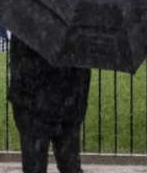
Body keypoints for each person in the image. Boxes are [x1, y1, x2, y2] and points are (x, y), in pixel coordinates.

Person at [9, 36, 91, 173]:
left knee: (37, 164)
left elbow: (18, 68)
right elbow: (83, 71)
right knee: (68, 164)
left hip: (36, 107)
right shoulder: (75, 28)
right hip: (63, 105)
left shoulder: (25, 27)